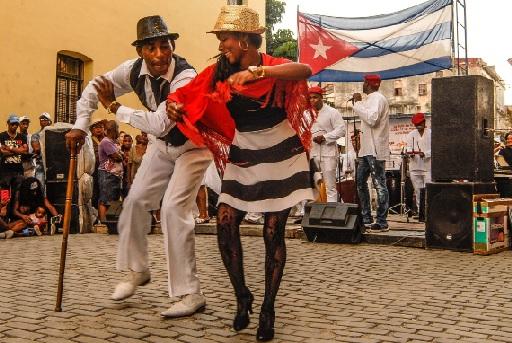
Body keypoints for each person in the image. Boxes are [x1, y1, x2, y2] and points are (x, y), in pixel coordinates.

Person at [166, 5, 316, 341]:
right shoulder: (218, 70)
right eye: (220, 40)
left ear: (246, 41)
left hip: (283, 151)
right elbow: (183, 96)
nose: (221, 46)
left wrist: (260, 74)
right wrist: (173, 106)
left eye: (226, 39)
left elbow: (304, 68)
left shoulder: (271, 65)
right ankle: (242, 295)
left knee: (273, 232)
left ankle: (268, 309)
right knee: (224, 220)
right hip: (244, 152)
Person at [65, 15, 211, 318]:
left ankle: (190, 293)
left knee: (172, 208)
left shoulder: (186, 75)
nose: (159, 55)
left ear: (172, 46)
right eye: (151, 48)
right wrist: (81, 124)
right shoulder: (131, 70)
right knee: (134, 202)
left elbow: (159, 123)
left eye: (165, 46)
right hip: (163, 146)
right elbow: (94, 87)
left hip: (193, 145)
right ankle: (137, 270)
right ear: (140, 51)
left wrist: (115, 107)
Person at [352, 74, 390, 232]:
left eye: (364, 82)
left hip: (374, 150)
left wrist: (357, 103)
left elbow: (372, 119)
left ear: (368, 84)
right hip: (365, 150)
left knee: (379, 185)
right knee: (360, 182)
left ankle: (382, 221)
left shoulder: (377, 98)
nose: (362, 85)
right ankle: (366, 217)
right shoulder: (370, 99)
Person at [308, 86, 345, 202]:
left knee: (330, 186)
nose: (312, 100)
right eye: (310, 98)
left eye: (315, 97)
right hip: (312, 154)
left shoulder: (332, 112)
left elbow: (341, 130)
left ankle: (331, 213)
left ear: (321, 98)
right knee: (311, 186)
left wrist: (325, 137)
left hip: (328, 153)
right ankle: (308, 213)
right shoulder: (306, 113)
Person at [405, 113, 431, 217]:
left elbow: (435, 149)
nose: (418, 126)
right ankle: (421, 213)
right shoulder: (410, 135)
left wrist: (425, 154)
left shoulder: (431, 133)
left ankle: (429, 213)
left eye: (420, 123)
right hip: (415, 167)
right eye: (416, 124)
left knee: (428, 191)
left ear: (424, 122)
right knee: (418, 191)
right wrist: (410, 152)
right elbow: (408, 147)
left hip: (427, 167)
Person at [97, 120, 123, 223]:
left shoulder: (113, 142)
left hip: (114, 174)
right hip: (107, 174)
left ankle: (110, 221)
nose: (118, 130)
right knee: (105, 199)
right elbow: (117, 157)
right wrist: (121, 155)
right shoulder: (106, 142)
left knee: (113, 199)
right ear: (112, 130)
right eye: (117, 128)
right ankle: (104, 222)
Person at [0, 115, 28, 190]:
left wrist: (9, 148)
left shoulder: (22, 137)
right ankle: (5, 202)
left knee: (18, 192)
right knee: (4, 193)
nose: (14, 126)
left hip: (18, 170)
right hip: (5, 171)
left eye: (16, 124)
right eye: (12, 124)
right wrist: (18, 151)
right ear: (8, 123)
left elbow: (25, 150)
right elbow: (2, 152)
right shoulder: (2, 136)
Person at [31, 112, 53, 191]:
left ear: (50, 122)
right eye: (41, 119)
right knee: (40, 185)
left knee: (53, 186)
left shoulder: (54, 134)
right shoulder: (36, 135)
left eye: (45, 119)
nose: (43, 121)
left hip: (52, 164)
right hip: (40, 164)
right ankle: (40, 202)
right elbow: (37, 148)